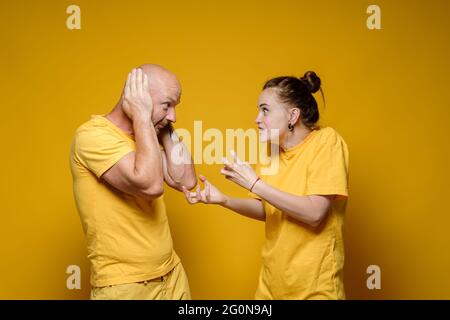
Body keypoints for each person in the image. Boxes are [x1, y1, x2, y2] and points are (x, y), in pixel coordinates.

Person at [183, 71, 349, 299]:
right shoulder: (272, 150)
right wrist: (224, 200)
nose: (257, 119)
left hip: (314, 289)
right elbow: (268, 209)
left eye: (265, 110)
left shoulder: (326, 142)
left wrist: (254, 184)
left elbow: (315, 213)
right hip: (270, 286)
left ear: (293, 115)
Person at [70, 65, 197, 300]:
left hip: (172, 275)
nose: (173, 116)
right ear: (141, 98)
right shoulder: (92, 136)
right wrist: (142, 115)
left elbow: (185, 180)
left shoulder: (145, 135)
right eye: (167, 105)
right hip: (126, 286)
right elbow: (150, 185)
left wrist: (163, 126)